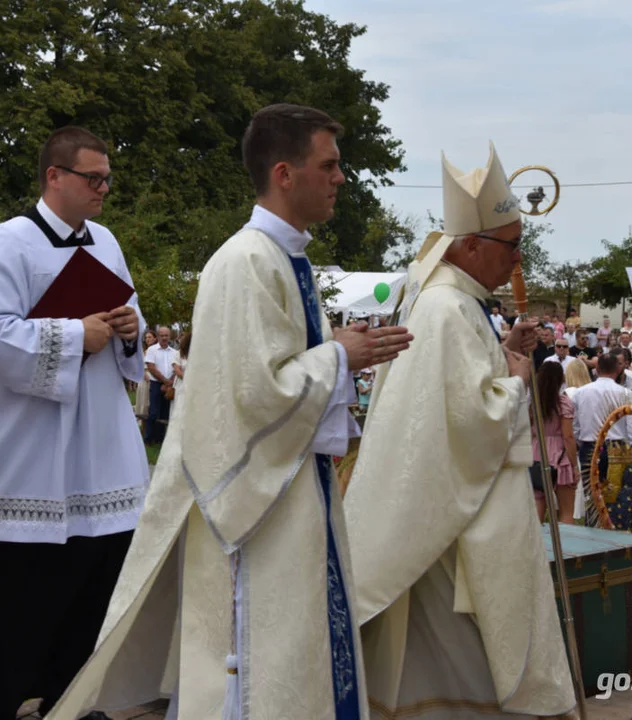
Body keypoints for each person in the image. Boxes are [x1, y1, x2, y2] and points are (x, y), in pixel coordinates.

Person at [48, 104, 411, 720]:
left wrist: (337, 360)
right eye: (330, 164)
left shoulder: (288, 258)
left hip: (296, 488)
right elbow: (251, 396)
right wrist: (339, 357)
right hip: (258, 505)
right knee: (265, 661)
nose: (341, 178)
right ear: (284, 173)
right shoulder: (245, 263)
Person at [342, 143, 575, 717]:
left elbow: (458, 390)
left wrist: (504, 352)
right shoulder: (446, 307)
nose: (518, 261)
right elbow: (471, 419)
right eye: (512, 246)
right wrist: (518, 383)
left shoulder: (459, 302)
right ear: (470, 245)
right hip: (456, 516)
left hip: (458, 503)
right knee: (462, 652)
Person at [0, 126, 148, 720]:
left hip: (96, 452)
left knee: (86, 602)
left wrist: (128, 330)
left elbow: (127, 313)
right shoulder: (7, 244)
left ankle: (72, 703)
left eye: (108, 178)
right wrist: (73, 334)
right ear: (54, 177)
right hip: (24, 458)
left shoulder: (107, 242)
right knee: (9, 614)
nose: (103, 189)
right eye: (93, 178)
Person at [573, 353, 632, 530]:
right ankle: (610, 528)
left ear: (597, 370)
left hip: (590, 446)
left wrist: (578, 443)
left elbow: (575, 426)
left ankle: (593, 526)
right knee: (613, 494)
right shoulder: (625, 393)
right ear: (617, 369)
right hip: (616, 449)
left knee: (592, 493)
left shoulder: (580, 393)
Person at [531, 361, 579, 524]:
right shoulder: (564, 403)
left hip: (537, 452)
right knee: (566, 511)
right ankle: (567, 547)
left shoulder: (533, 404)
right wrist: (574, 465)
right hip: (560, 454)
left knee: (537, 506)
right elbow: (568, 436)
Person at [133, 328, 157, 431]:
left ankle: (153, 431)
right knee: (143, 405)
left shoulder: (155, 351)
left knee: (151, 405)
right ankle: (144, 431)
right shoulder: (144, 352)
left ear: (155, 339)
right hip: (145, 379)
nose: (148, 339)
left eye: (150, 337)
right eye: (146, 337)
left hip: (154, 378)